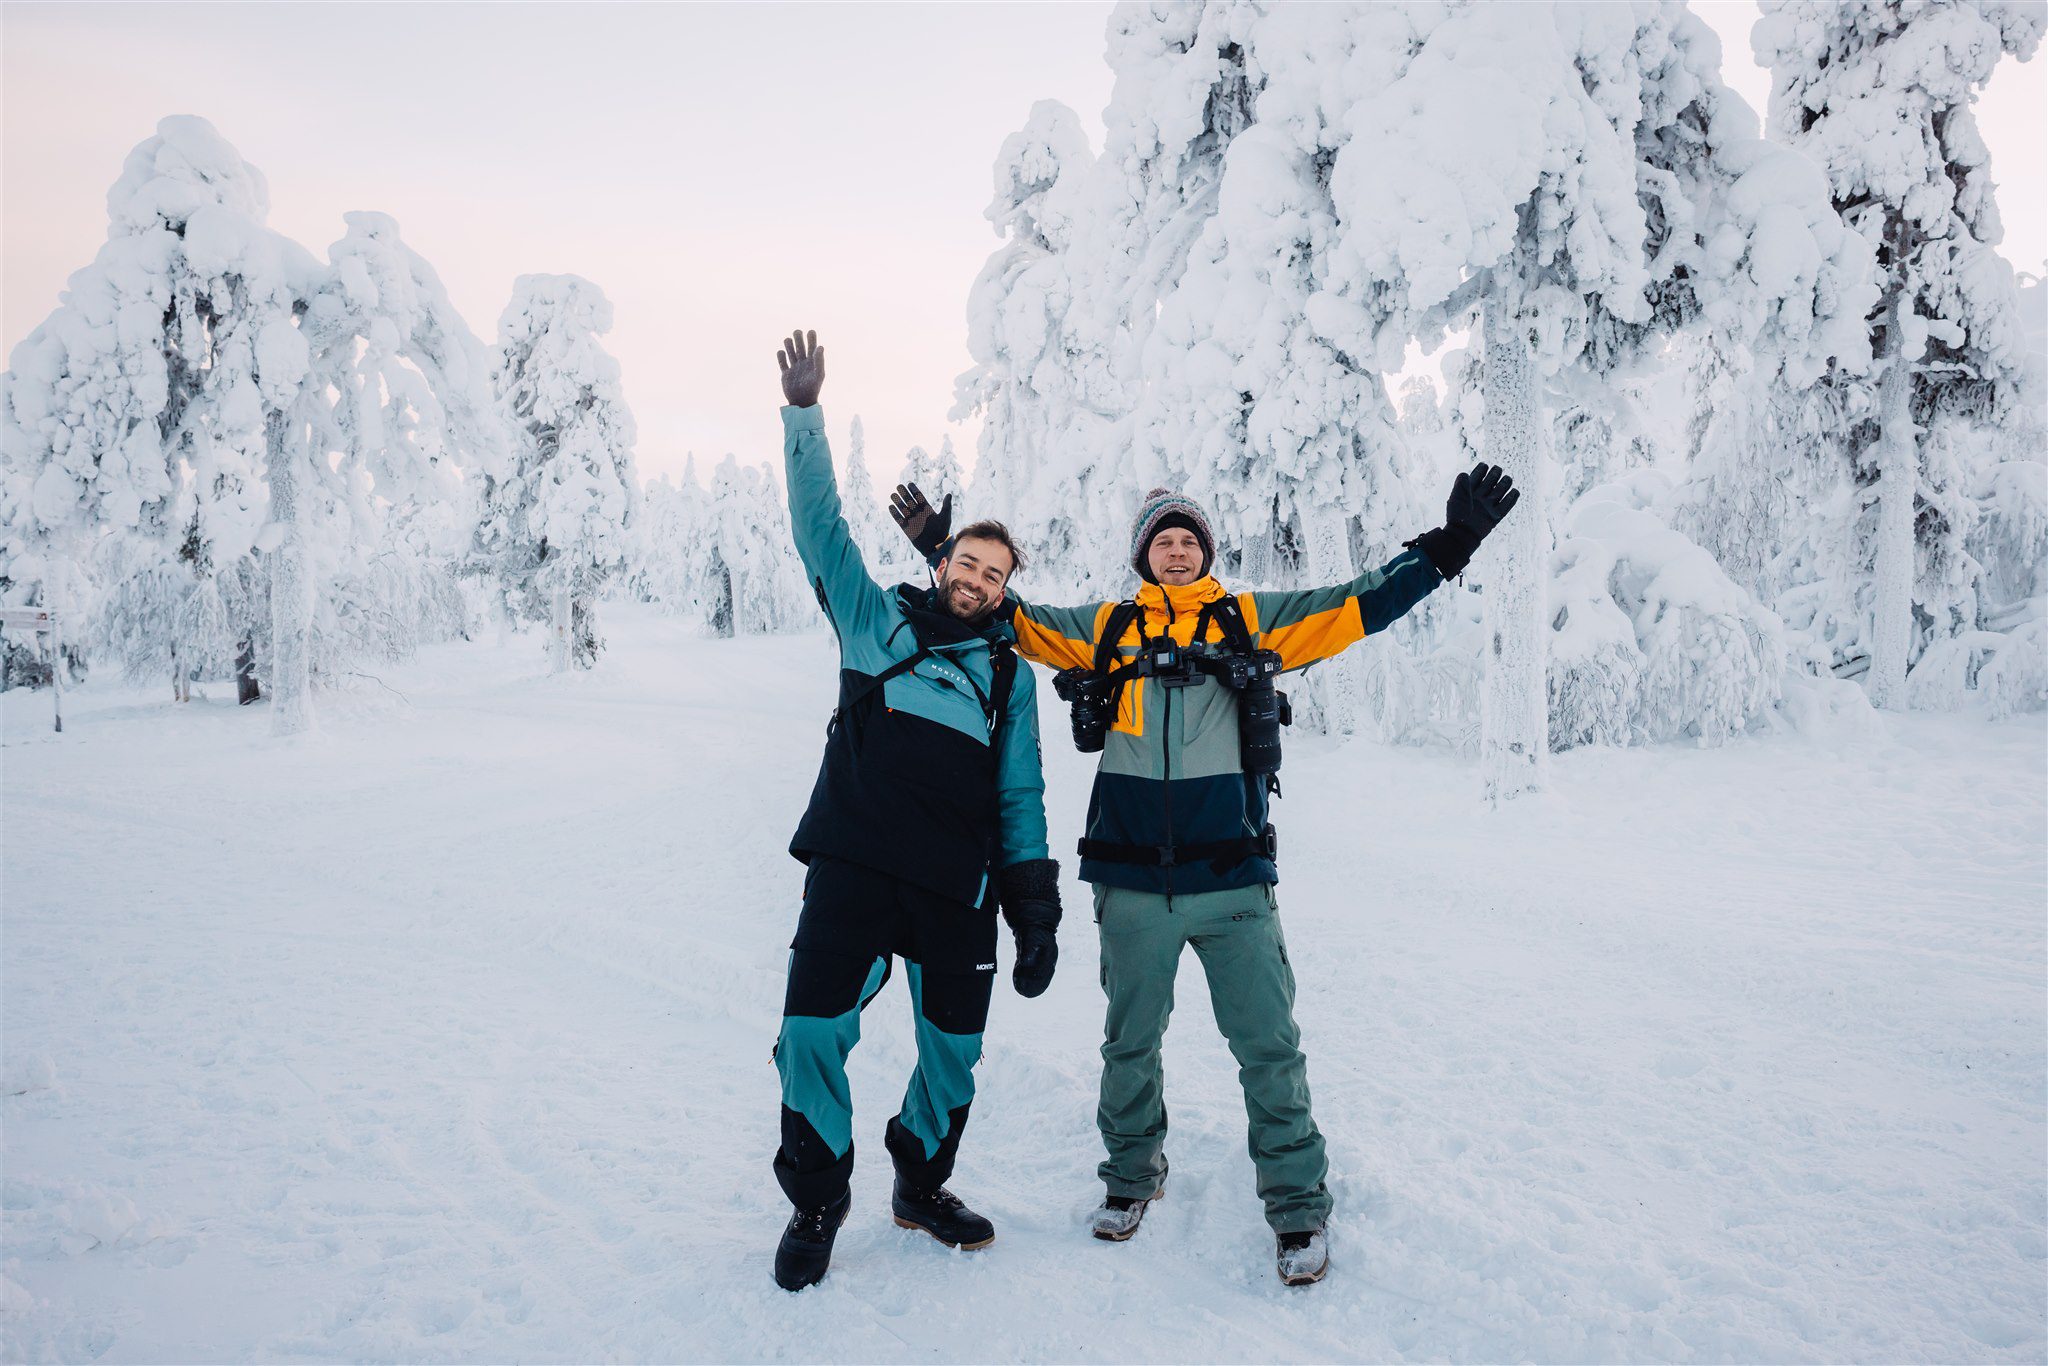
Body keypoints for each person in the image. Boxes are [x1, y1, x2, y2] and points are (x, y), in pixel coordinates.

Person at [890, 468, 1518, 1285]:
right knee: (1129, 1045)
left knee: (1269, 1049)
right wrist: (944, 552)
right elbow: (1009, 614)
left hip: (1233, 882)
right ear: (1144, 556)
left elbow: (1357, 604)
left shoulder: (1251, 621)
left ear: (1206, 552)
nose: (1178, 551)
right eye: (1163, 541)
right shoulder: (1107, 628)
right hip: (1130, 885)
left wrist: (1449, 545)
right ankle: (1130, 1179)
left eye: (1189, 539)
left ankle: (1298, 1210)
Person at [768, 330, 1062, 1292]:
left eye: (993, 575)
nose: (975, 581)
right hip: (854, 867)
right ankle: (818, 1199)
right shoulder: (874, 622)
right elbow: (820, 532)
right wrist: (804, 416)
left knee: (954, 1055)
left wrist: (1034, 911)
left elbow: (1020, 795)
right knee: (811, 1034)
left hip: (955, 889)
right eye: (966, 563)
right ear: (943, 564)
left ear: (1004, 591)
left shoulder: (1007, 678)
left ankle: (920, 1184)